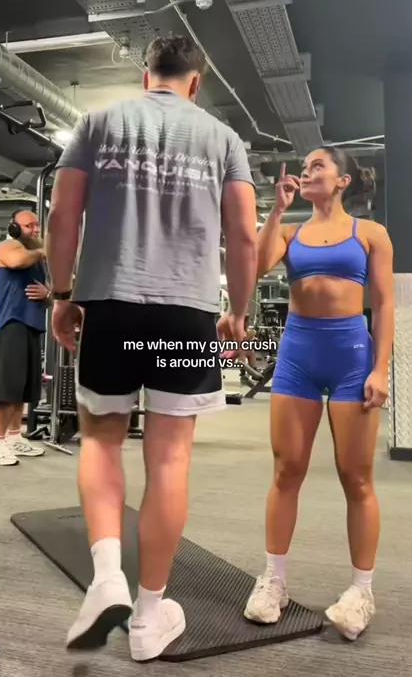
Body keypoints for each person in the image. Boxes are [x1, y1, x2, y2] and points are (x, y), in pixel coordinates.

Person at [45, 34, 257, 661]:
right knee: (169, 460)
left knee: (100, 439)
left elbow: (62, 216)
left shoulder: (98, 122)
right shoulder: (223, 138)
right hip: (187, 313)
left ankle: (107, 575)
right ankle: (147, 615)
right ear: (196, 81)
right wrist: (238, 312)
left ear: (146, 75)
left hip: (109, 303)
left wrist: (62, 295)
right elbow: (243, 235)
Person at [238, 147, 394, 641]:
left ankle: (361, 591)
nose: (306, 172)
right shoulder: (289, 232)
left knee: (357, 477)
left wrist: (381, 369)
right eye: (303, 168)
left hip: (351, 357)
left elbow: (384, 304)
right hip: (297, 356)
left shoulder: (370, 233)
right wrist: (276, 212)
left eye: (317, 166)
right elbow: (254, 268)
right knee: (286, 471)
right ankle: (274, 581)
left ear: (343, 180)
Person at [0, 210, 50, 466]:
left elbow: (52, 295)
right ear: (14, 227)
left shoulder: (37, 259)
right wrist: (46, 249)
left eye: (36, 225)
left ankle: (14, 437)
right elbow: (16, 261)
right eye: (28, 225)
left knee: (22, 389)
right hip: (11, 325)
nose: (35, 229)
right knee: (8, 389)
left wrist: (47, 293)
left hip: (31, 326)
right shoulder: (8, 247)